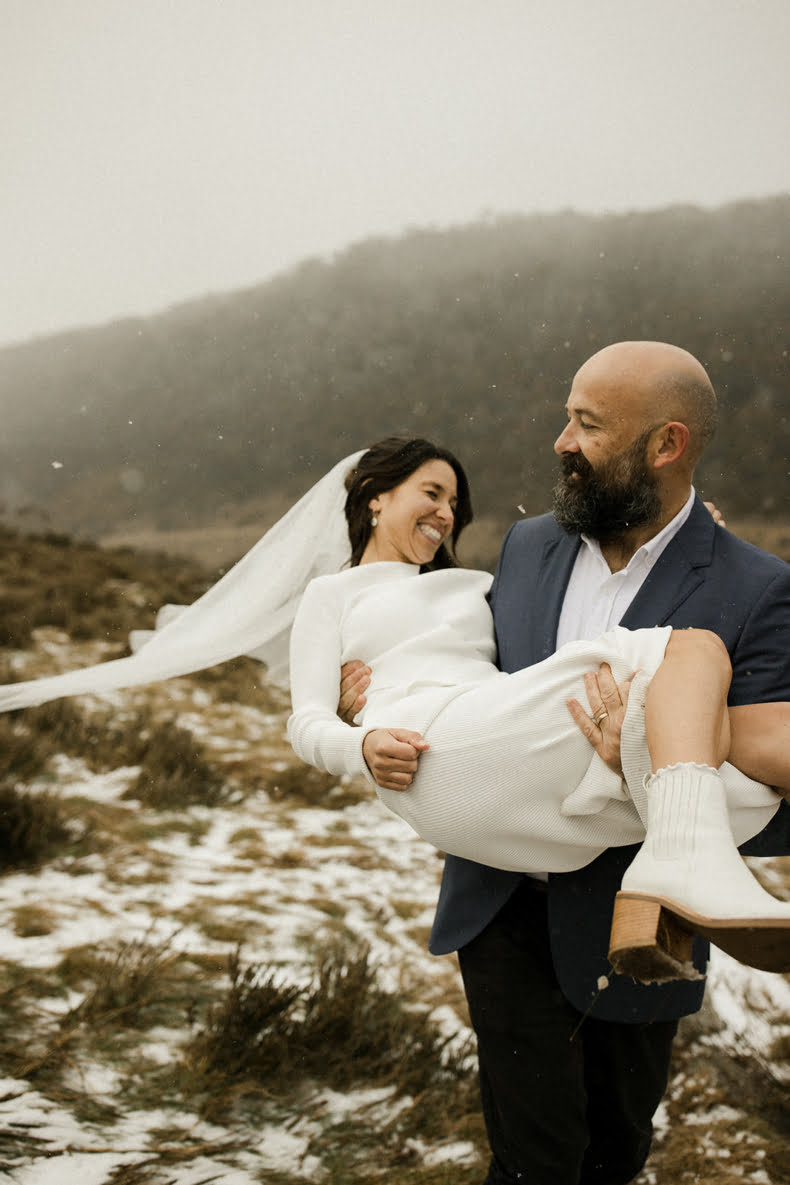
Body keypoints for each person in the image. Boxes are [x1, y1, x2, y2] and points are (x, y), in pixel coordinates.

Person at [337, 342, 790, 1185]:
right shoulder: (526, 545)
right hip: (502, 904)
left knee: (615, 1152)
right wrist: (370, 698)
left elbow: (775, 796)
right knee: (531, 1159)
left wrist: (645, 764)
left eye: (588, 423)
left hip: (637, 921)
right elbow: (470, 685)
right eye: (566, 416)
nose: (561, 441)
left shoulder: (755, 587)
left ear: (666, 444)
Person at [286, 433, 790, 982]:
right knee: (694, 651)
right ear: (374, 495)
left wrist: (685, 539)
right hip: (429, 749)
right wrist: (358, 742)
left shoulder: (476, 586)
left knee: (744, 758)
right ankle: (678, 866)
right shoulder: (331, 594)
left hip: (497, 740)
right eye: (432, 493)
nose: (446, 513)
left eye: (454, 503)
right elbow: (305, 722)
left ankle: (681, 861)